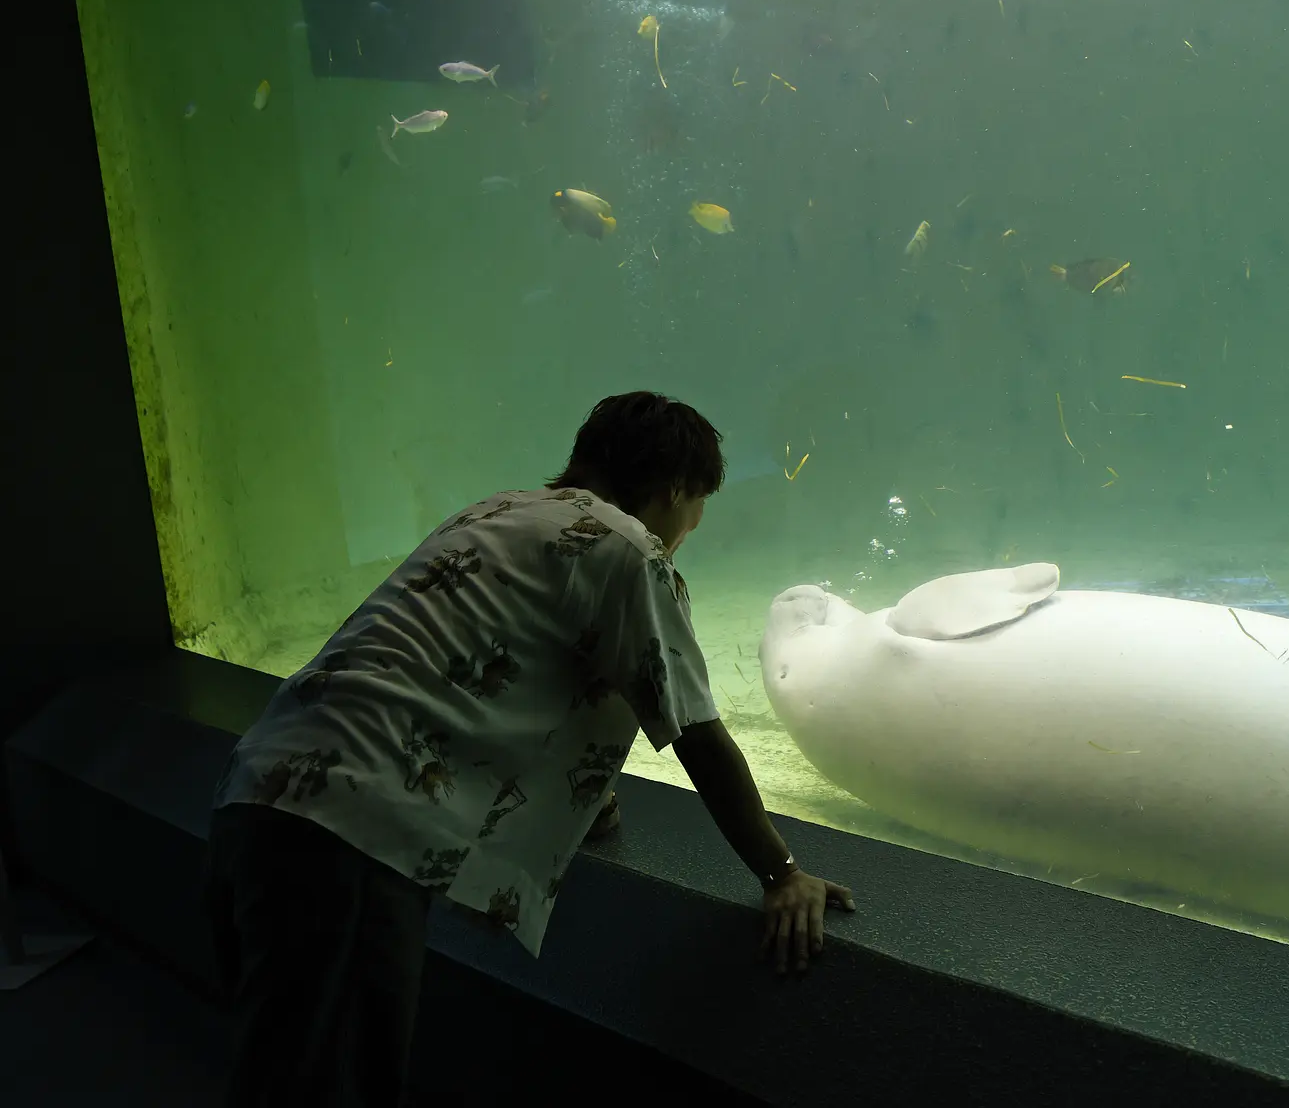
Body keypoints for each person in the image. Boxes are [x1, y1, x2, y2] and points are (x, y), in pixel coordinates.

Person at [204, 391, 855, 1108]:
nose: (682, 538)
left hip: (259, 787)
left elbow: (486, 670)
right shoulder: (629, 551)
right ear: (674, 492)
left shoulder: (495, 513)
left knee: (273, 1067)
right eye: (691, 515)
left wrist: (578, 800)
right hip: (356, 826)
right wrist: (780, 871)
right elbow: (697, 732)